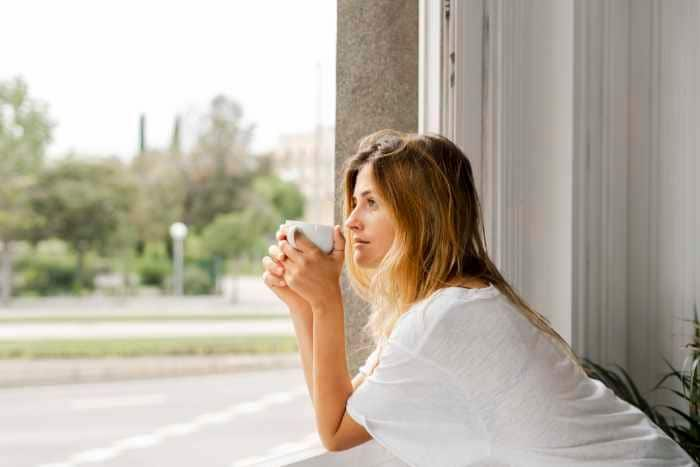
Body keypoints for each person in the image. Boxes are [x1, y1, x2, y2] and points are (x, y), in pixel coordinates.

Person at [261, 129, 696, 466]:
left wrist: (324, 302)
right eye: (353, 203)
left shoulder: (446, 320)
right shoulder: (445, 306)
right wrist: (301, 303)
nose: (351, 221)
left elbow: (336, 431)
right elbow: (341, 404)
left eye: (371, 202)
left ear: (421, 215)